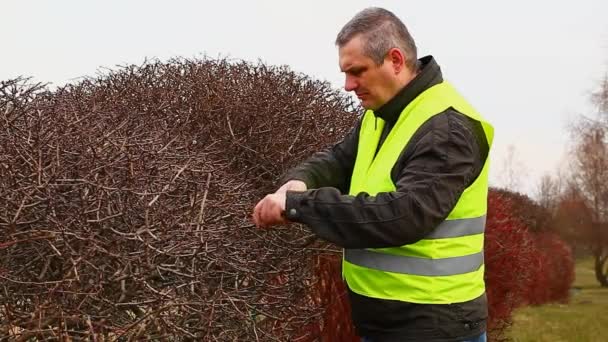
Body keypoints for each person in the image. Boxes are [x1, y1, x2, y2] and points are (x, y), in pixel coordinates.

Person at [252, 7, 493, 342]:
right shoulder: (383, 114)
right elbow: (338, 160)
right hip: (389, 323)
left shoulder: (446, 129)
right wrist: (300, 181)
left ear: (395, 60)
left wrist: (299, 206)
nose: (348, 85)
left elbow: (403, 215)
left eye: (357, 72)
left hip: (434, 325)